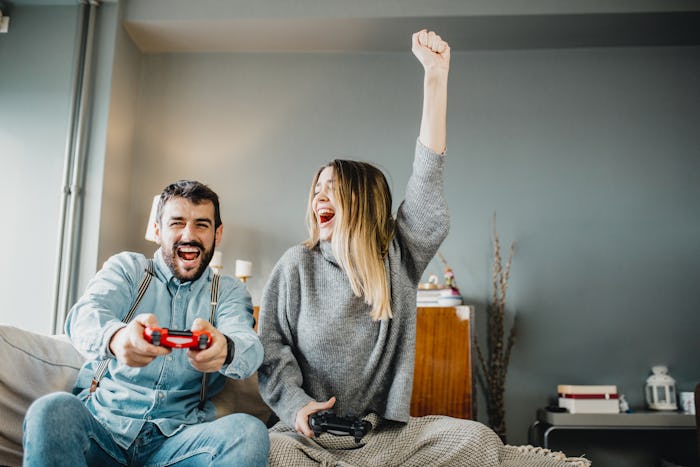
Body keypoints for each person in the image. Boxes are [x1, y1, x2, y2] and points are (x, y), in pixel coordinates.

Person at [257, 30, 505, 466]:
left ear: (364, 201)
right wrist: (296, 409)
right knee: (271, 455)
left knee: (478, 440)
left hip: (381, 438)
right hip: (304, 437)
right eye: (316, 189)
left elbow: (426, 180)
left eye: (333, 189)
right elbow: (271, 350)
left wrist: (436, 77)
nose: (319, 198)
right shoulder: (296, 265)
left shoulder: (400, 255)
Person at [23, 180, 269, 466]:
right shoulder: (128, 269)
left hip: (179, 442)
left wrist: (225, 348)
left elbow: (248, 344)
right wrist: (117, 339)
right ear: (156, 229)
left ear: (218, 233)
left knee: (249, 431)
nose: (189, 235)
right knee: (51, 409)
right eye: (177, 223)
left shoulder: (227, 291)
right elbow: (86, 314)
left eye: (202, 224)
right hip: (103, 430)